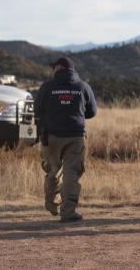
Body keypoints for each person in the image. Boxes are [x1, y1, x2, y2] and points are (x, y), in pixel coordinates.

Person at [34, 56, 97, 223]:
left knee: (53, 172)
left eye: (53, 67)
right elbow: (92, 112)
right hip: (75, 136)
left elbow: (37, 110)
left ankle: (51, 204)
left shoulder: (47, 87)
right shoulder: (83, 86)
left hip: (51, 137)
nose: (51, 70)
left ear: (58, 68)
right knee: (71, 174)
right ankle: (68, 212)